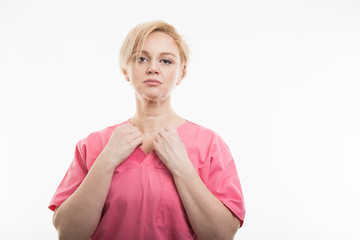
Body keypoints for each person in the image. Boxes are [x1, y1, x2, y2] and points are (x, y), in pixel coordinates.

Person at [49, 20, 245, 240]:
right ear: (126, 70)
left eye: (166, 60)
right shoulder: (93, 146)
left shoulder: (210, 145)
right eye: (141, 58)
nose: (153, 68)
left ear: (181, 73)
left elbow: (222, 234)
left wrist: (182, 167)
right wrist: (106, 161)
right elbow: (68, 234)